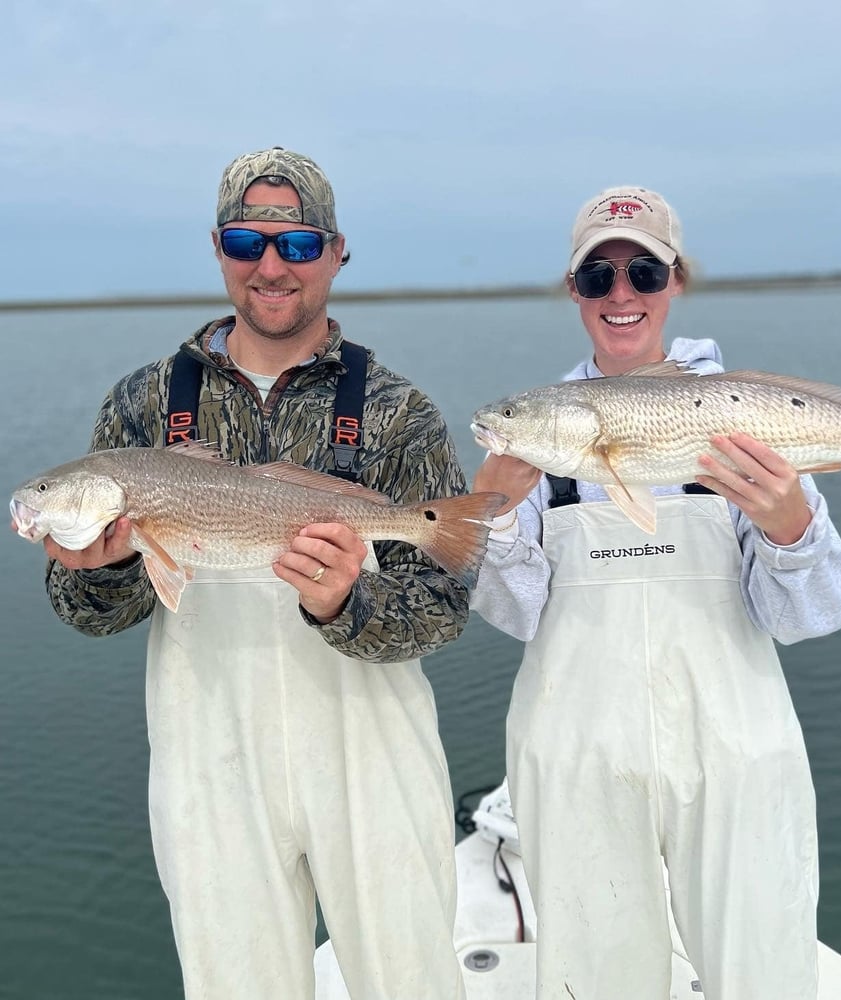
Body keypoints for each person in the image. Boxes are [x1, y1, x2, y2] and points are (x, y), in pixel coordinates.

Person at [37, 147, 470, 1000]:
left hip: (370, 756)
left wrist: (350, 600)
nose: (271, 267)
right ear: (219, 248)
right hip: (211, 761)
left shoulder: (398, 410)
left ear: (337, 253)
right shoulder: (144, 404)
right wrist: (100, 570)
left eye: (298, 245)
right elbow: (85, 612)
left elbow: (444, 607)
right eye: (247, 241)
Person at [470, 186, 841, 1000]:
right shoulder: (542, 428)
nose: (621, 295)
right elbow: (516, 615)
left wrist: (789, 523)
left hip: (735, 752)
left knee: (762, 972)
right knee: (596, 977)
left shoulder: (743, 416)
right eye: (596, 277)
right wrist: (499, 521)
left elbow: (815, 615)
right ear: (573, 293)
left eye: (642, 272)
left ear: (674, 280)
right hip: (574, 753)